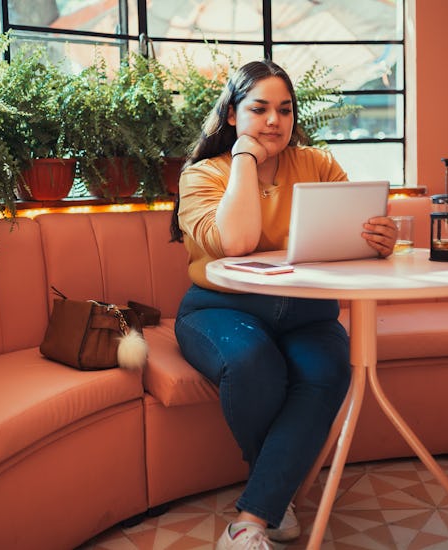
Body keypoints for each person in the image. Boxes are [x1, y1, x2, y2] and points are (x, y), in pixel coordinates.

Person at [169, 59, 398, 550]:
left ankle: (252, 517)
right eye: (260, 108)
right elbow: (236, 241)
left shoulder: (317, 165)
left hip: (305, 308)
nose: (274, 121)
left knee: (329, 367)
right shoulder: (203, 174)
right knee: (253, 362)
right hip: (220, 308)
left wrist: (379, 238)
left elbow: (353, 235)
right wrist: (246, 159)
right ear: (232, 114)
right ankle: (272, 500)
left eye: (285, 110)